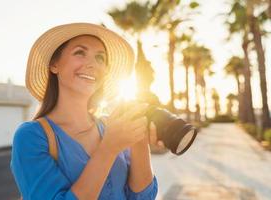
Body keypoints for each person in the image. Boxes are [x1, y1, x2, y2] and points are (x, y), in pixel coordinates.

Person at [10, 23, 165, 200]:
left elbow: (143, 197)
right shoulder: (31, 136)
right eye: (80, 53)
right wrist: (108, 148)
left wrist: (140, 140)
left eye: (100, 58)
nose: (92, 64)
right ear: (54, 64)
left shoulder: (113, 126)